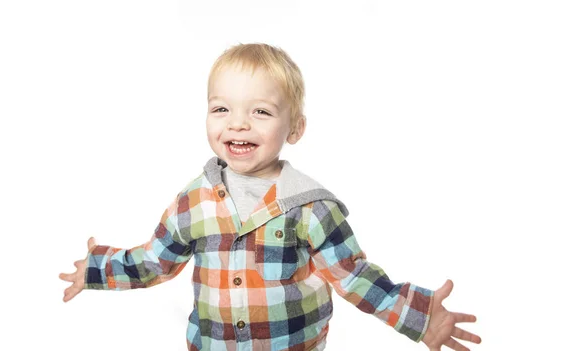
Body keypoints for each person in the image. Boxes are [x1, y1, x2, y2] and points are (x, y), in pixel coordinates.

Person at [59, 43, 481, 351]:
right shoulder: (195, 201)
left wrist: (420, 317)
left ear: (294, 128)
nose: (238, 124)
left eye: (260, 111)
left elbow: (355, 276)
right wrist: (97, 269)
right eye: (221, 109)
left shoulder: (310, 206)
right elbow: (155, 260)